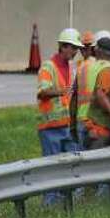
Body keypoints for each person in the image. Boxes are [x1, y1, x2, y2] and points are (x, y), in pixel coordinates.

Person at [37, 28, 82, 205]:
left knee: (70, 162)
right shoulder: (48, 66)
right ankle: (49, 203)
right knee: (51, 167)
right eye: (74, 48)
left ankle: (65, 200)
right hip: (50, 127)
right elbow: (43, 91)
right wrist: (60, 91)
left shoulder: (70, 68)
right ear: (63, 47)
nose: (76, 51)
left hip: (65, 126)